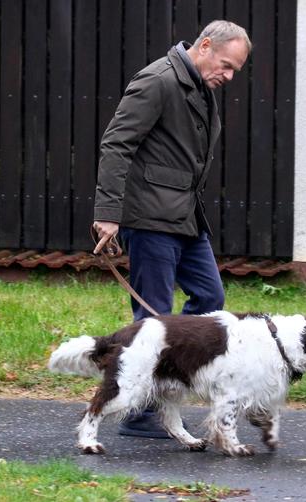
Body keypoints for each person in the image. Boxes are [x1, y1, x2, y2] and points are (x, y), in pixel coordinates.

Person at [91, 20, 252, 437]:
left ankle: (165, 382)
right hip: (149, 218)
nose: (229, 76)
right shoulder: (158, 80)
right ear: (204, 46)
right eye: (227, 65)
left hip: (185, 215)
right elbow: (116, 143)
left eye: (235, 69)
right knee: (154, 313)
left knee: (210, 296)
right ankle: (140, 411)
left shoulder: (198, 85)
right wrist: (108, 212)